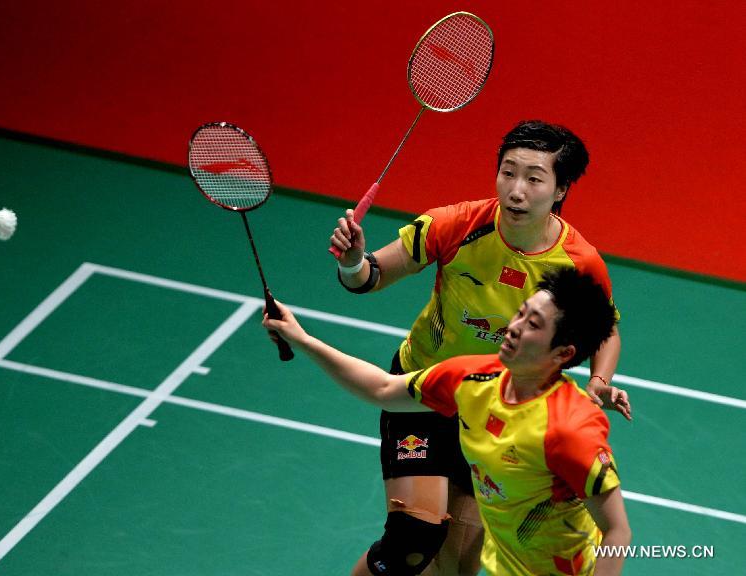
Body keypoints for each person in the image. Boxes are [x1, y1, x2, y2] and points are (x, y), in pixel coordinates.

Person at [328, 120, 630, 575]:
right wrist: (352, 262)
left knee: (457, 564)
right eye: (508, 172)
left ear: (561, 188)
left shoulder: (579, 263)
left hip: (499, 409)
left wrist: (599, 380)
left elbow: (604, 329)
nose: (516, 190)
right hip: (426, 391)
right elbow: (370, 276)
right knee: (414, 536)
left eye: (533, 178)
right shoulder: (456, 224)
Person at [263, 268, 632, 576]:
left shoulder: (569, 428)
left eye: (532, 325)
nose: (514, 327)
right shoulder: (475, 378)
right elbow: (381, 387)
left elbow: (617, 532)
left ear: (563, 353)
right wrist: (304, 340)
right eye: (520, 313)